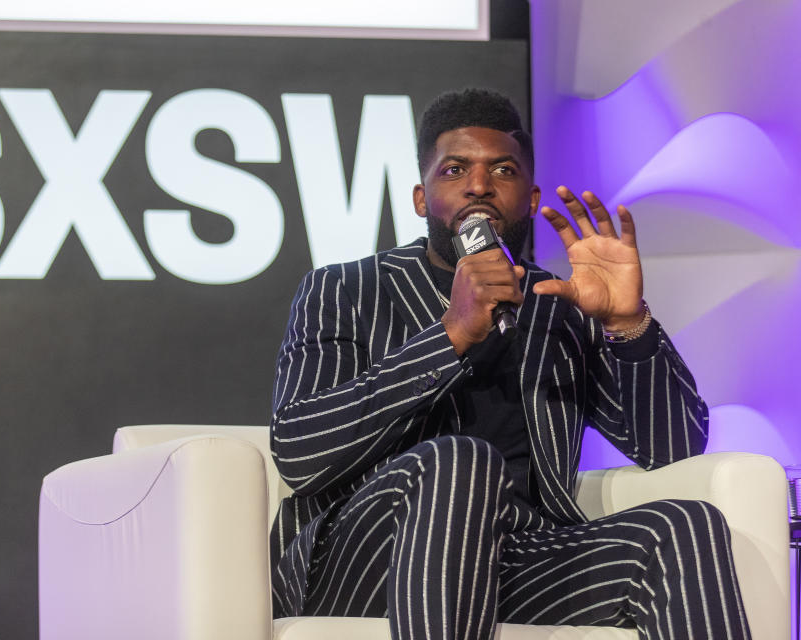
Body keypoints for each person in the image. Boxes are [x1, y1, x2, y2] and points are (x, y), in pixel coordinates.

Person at [268, 88, 749, 640]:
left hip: (516, 555)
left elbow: (675, 449)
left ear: (529, 196)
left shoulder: (559, 303)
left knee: (684, 525)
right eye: (455, 170)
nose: (479, 185)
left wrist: (627, 322)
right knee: (458, 461)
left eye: (502, 169)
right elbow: (301, 453)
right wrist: (451, 335)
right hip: (366, 555)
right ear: (423, 199)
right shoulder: (345, 289)